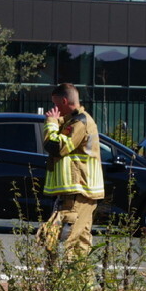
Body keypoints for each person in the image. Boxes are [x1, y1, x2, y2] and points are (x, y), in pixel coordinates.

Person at [39, 83, 105, 259]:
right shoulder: (74, 120)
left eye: (56, 104)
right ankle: (84, 284)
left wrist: (51, 123)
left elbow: (56, 146)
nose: (54, 109)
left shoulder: (80, 121)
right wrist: (59, 121)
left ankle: (65, 280)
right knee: (80, 242)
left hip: (79, 189)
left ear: (65, 101)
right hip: (81, 191)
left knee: (63, 238)